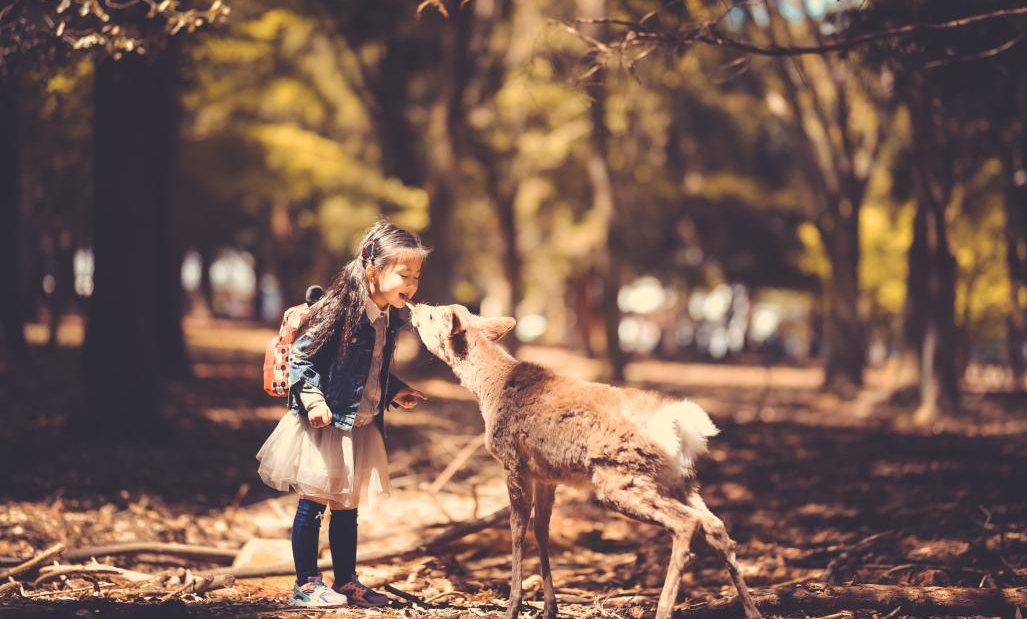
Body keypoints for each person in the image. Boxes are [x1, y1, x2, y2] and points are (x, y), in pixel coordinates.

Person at [256, 220, 429, 608]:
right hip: (325, 423)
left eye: (416, 275)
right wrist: (314, 400)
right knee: (314, 502)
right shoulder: (342, 308)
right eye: (404, 274)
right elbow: (303, 358)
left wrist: (396, 390)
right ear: (373, 270)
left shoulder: (387, 315)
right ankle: (305, 583)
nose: (412, 283)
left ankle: (346, 580)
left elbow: (372, 366)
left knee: (347, 508)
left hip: (359, 425)